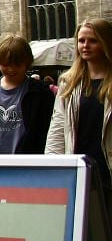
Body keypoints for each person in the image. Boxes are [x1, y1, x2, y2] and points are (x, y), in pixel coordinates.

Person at [0, 34, 54, 154]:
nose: (11, 69)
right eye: (6, 64)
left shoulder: (41, 92)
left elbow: (48, 131)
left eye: (17, 65)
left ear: (26, 63)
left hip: (29, 161)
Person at [45, 19, 112, 173]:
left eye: (93, 41)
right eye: (81, 41)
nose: (85, 45)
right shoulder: (68, 82)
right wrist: (52, 168)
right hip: (79, 171)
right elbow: (58, 128)